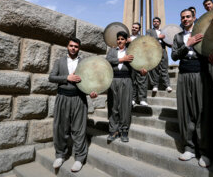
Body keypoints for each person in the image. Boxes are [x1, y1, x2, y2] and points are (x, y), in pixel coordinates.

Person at [171, 9, 213, 168]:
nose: (185, 19)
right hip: (183, 76)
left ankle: (205, 152)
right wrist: (186, 45)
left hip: (200, 74)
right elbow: (174, 56)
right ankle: (189, 147)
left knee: (202, 112)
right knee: (185, 112)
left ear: (194, 18)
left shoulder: (203, 32)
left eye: (188, 16)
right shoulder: (177, 37)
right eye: (182, 17)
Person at [49, 37, 97, 172]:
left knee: (79, 129)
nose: (73, 48)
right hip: (62, 98)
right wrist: (66, 77)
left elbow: (90, 81)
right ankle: (60, 154)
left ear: (79, 48)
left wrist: (92, 92)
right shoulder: (59, 62)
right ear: (67, 46)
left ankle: (79, 158)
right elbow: (51, 77)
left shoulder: (84, 63)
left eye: (76, 46)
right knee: (60, 127)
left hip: (79, 99)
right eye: (71, 46)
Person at [106, 31, 147, 142]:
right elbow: (107, 61)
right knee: (113, 105)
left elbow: (137, 64)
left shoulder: (130, 51)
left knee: (125, 107)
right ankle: (113, 130)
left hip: (126, 80)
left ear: (126, 40)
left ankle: (124, 131)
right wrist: (121, 59)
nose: (120, 41)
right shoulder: (112, 51)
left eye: (122, 39)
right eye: (118, 39)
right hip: (113, 80)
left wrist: (142, 71)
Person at [146, 17, 173, 93]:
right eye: (154, 21)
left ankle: (167, 85)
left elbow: (166, 41)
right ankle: (155, 85)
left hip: (163, 51)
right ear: (152, 23)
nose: (155, 22)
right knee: (155, 69)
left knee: (164, 68)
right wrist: (158, 37)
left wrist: (170, 44)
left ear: (160, 23)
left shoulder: (163, 31)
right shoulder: (149, 31)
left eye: (157, 21)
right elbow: (148, 40)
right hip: (154, 52)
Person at [127, 22, 148, 106]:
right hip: (130, 62)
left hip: (140, 61)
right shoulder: (127, 38)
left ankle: (142, 99)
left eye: (136, 28)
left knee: (142, 80)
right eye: (133, 27)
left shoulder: (142, 38)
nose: (134, 29)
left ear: (139, 29)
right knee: (132, 80)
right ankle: (133, 99)